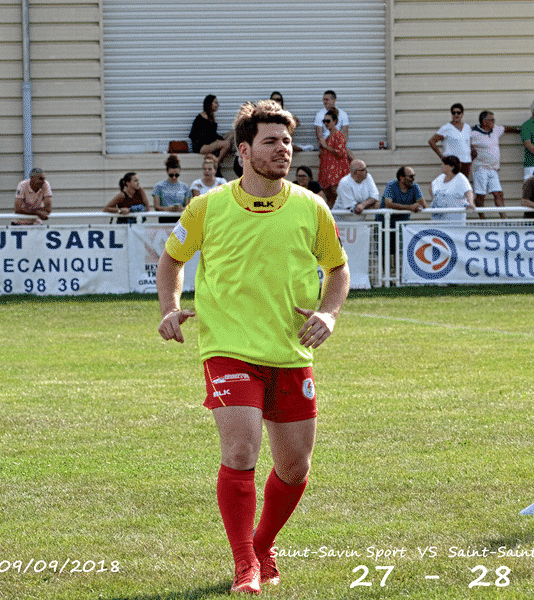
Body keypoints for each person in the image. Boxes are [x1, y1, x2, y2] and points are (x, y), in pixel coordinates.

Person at [156, 99, 350, 596]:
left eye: (287, 141)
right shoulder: (208, 207)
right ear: (243, 150)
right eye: (271, 141)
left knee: (295, 467)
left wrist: (328, 313)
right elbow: (172, 261)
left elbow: (338, 270)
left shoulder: (311, 207)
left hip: (289, 352)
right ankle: (246, 565)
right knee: (241, 449)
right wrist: (169, 307)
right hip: (227, 347)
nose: (283, 149)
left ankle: (264, 544)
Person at [469, 110, 519, 218]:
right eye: (491, 120)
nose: (493, 122)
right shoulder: (473, 132)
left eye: (494, 119)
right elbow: (464, 142)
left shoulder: (495, 129)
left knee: (498, 193)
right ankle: (482, 218)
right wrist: (471, 148)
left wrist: (518, 130)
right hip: (480, 168)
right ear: (484, 121)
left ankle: (504, 219)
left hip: (493, 169)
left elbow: (505, 128)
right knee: (481, 195)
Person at [189, 95, 235, 168]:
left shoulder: (210, 116)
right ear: (209, 104)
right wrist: (219, 141)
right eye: (215, 103)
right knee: (227, 143)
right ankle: (217, 163)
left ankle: (230, 152)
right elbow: (205, 137)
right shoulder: (203, 118)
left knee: (232, 133)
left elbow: (212, 134)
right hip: (201, 147)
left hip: (209, 143)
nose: (218, 105)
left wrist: (222, 138)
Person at [317, 108, 350, 208]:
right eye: (324, 121)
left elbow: (340, 152)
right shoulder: (328, 137)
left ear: (335, 121)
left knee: (338, 196)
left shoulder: (339, 135)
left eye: (328, 121)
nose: (326, 123)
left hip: (337, 171)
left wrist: (325, 146)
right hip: (327, 171)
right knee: (329, 198)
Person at [428, 103, 472, 178]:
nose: (456, 115)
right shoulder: (446, 128)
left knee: (463, 186)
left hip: (466, 162)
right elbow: (432, 141)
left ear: (462, 114)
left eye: (458, 112)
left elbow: (468, 144)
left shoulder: (467, 127)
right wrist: (442, 157)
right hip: (453, 164)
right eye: (453, 113)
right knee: (452, 185)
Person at [430, 155, 474, 222]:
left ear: (452, 167)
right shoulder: (440, 177)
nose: (442, 165)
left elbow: (469, 191)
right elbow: (431, 187)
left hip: (454, 222)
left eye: (444, 164)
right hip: (437, 221)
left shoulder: (460, 178)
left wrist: (470, 203)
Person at [153, 154, 192, 223]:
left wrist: (181, 209)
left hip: (180, 220)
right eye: (171, 175)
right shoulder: (159, 186)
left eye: (177, 175)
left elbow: (188, 207)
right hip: (165, 220)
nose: (174, 177)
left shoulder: (185, 187)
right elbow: (156, 206)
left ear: (180, 171)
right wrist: (167, 209)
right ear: (167, 171)